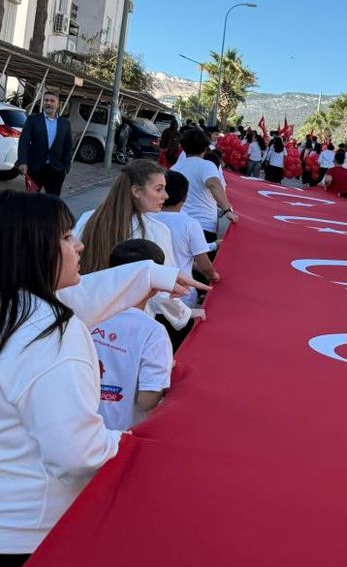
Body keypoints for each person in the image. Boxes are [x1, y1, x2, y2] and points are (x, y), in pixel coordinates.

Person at [0, 190, 207, 564]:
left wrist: (152, 274)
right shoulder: (50, 335)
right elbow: (76, 452)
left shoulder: (14, 305)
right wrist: (132, 444)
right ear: (30, 250)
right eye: (65, 237)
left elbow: (85, 295)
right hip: (32, 534)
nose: (78, 245)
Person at [73, 160, 195, 332]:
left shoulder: (89, 218)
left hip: (87, 317)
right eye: (159, 189)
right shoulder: (156, 231)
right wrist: (185, 314)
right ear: (136, 191)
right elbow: (162, 288)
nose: (166, 196)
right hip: (129, 327)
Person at [93, 240, 175, 431]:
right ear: (155, 284)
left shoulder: (83, 314)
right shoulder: (152, 332)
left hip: (75, 431)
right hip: (119, 437)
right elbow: (147, 400)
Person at [152, 171, 218, 347]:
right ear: (185, 197)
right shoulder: (189, 224)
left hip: (150, 297)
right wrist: (214, 276)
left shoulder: (147, 218)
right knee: (174, 346)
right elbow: (203, 264)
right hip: (180, 300)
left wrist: (212, 245)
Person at [172, 128, 238, 241]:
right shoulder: (207, 165)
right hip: (203, 225)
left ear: (183, 147)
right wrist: (227, 210)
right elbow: (214, 184)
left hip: (178, 224)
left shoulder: (174, 168)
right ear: (205, 148)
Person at [15, 89, 73, 197]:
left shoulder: (65, 124)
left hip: (56, 170)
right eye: (46, 100)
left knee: (52, 202)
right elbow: (24, 141)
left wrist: (66, 166)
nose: (48, 103)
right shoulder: (33, 119)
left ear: (57, 104)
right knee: (31, 200)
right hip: (34, 168)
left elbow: (68, 146)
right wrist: (23, 161)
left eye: (52, 101)